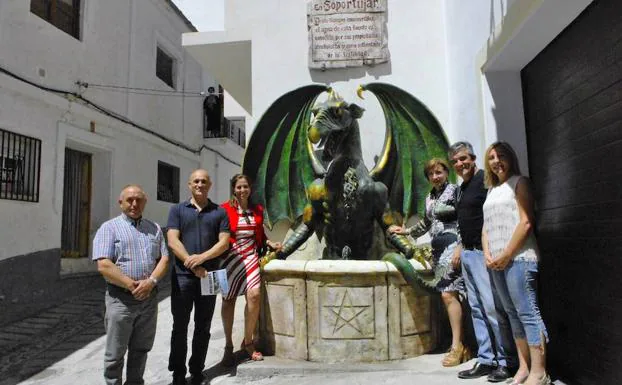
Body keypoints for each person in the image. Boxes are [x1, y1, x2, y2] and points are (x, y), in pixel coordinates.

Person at [389, 158, 468, 366]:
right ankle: (463, 344)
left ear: (446, 172)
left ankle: (457, 346)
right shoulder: (430, 197)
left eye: (439, 172)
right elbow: (426, 223)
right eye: (432, 174)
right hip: (437, 248)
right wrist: (404, 231)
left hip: (452, 246)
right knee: (448, 296)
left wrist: (461, 246)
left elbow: (463, 219)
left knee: (448, 294)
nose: (435, 177)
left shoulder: (455, 191)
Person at [448, 141, 517, 382]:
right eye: (455, 161)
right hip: (467, 254)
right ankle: (486, 359)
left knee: (492, 308)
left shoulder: (484, 181)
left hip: (483, 253)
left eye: (464, 158)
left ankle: (506, 361)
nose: (460, 164)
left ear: (474, 158)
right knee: (476, 309)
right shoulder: (460, 188)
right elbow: (463, 221)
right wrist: (459, 246)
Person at [482, 142, 550, 385]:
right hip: (497, 263)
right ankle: (523, 367)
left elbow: (526, 223)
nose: (496, 160)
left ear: (510, 158)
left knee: (527, 312)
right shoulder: (491, 190)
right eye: (491, 157)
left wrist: (507, 254)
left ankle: (539, 372)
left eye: (501, 155)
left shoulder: (520, 183)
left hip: (520, 259)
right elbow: (486, 226)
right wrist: (488, 254)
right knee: (512, 314)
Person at [93, 185, 169, 385]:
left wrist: (151, 282)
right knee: (115, 354)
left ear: (145, 202)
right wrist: (132, 285)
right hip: (121, 301)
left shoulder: (154, 228)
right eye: (129, 200)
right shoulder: (109, 228)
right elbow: (103, 264)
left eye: (139, 200)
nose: (134, 204)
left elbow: (164, 259)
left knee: (141, 349)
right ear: (121, 203)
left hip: (148, 301)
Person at [167, 169, 230, 385]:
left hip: (211, 276)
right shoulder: (177, 210)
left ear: (210, 185)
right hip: (183, 277)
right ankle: (177, 373)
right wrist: (192, 264)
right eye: (196, 181)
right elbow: (172, 240)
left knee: (203, 326)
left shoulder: (219, 212)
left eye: (204, 181)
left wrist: (201, 258)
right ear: (189, 184)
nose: (200, 184)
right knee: (180, 326)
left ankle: (197, 371)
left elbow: (224, 243)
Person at [219, 174, 282, 365]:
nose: (242, 190)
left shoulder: (257, 210)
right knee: (228, 301)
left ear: (250, 189)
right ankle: (228, 346)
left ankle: (248, 342)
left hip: (250, 258)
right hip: (229, 259)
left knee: (254, 295)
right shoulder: (224, 209)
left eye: (245, 186)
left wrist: (270, 242)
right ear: (233, 189)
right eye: (239, 187)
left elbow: (260, 233)